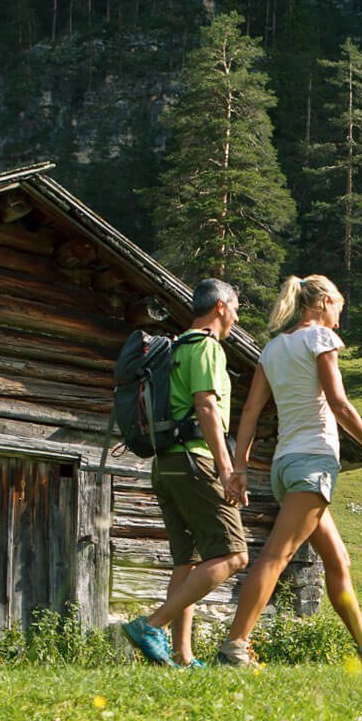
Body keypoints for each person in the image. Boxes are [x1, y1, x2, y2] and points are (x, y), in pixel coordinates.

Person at [216, 274, 362, 669]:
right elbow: (338, 403)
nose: (340, 314)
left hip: (285, 466)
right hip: (313, 462)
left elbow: (251, 411)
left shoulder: (273, 349)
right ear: (322, 303)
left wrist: (239, 466)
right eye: (338, 304)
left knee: (337, 561)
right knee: (276, 555)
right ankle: (235, 645)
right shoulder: (320, 340)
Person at [121, 278, 249, 668]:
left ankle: (182, 653)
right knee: (233, 555)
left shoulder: (174, 348)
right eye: (237, 310)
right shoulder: (207, 348)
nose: (237, 318)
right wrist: (226, 469)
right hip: (196, 461)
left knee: (188, 561)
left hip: (167, 464)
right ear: (222, 308)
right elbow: (207, 407)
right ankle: (151, 625)